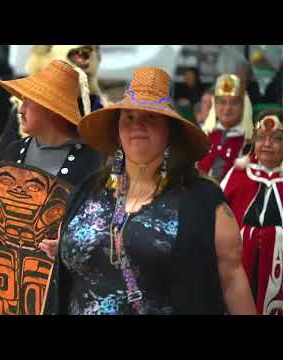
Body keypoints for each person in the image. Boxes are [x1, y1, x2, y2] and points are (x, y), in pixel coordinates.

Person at [43, 67, 256, 315]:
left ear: (170, 131)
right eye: (129, 117)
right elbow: (62, 274)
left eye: (151, 117)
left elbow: (231, 280)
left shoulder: (204, 202)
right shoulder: (87, 191)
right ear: (117, 129)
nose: (138, 125)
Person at [0, 60, 105, 259]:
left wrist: (69, 244)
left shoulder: (93, 160)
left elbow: (101, 227)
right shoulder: (13, 151)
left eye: (28, 101)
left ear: (51, 108)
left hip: (67, 284)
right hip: (13, 279)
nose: (21, 109)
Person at [221, 109, 283, 315]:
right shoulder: (238, 176)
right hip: (239, 270)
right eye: (262, 138)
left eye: (276, 139)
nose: (267, 144)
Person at [198, 74, 254, 182]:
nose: (227, 108)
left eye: (233, 103)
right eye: (222, 102)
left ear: (243, 106)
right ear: (215, 105)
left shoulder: (250, 140)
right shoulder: (202, 135)